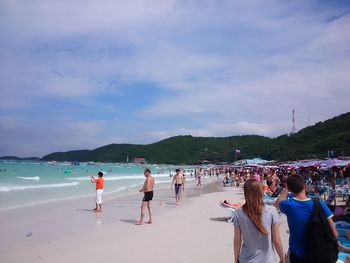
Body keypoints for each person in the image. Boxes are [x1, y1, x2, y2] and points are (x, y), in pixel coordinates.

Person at [276, 174, 338, 263]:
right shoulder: (318, 202)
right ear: (304, 186)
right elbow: (334, 231)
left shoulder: (288, 204)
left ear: (289, 189)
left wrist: (286, 189)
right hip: (318, 250)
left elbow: (278, 203)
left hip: (297, 252)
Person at [233, 179, 285, 263]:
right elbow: (277, 241)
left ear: (245, 193)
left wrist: (236, 259)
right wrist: (282, 258)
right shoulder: (271, 211)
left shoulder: (238, 213)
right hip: (268, 260)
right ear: (261, 192)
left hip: (246, 259)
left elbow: (237, 240)